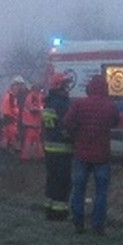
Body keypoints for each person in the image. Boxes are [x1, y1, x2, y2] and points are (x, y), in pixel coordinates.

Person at [63, 75, 120, 234]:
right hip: (102, 154)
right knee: (101, 191)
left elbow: (67, 122)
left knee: (79, 189)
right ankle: (98, 225)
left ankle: (78, 223)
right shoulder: (111, 105)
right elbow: (116, 122)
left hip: (82, 153)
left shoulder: (79, 104)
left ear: (89, 88)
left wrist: (76, 133)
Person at [42, 72, 74, 220]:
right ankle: (59, 213)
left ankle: (49, 208)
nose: (68, 87)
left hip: (49, 147)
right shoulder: (62, 103)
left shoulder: (49, 102)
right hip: (62, 148)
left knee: (52, 179)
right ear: (59, 85)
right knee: (63, 181)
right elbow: (66, 126)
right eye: (65, 84)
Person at [0, 76, 26, 152]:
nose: (19, 88)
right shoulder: (11, 96)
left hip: (8, 118)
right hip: (10, 118)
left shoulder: (9, 95)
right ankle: (15, 149)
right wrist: (15, 116)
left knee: (6, 135)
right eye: (18, 86)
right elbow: (11, 109)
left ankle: (5, 149)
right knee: (13, 134)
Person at [20, 82, 45, 161]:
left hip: (36, 122)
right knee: (30, 139)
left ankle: (38, 155)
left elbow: (40, 106)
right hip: (31, 122)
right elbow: (32, 109)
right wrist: (41, 110)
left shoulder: (38, 96)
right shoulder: (31, 96)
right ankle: (26, 156)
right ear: (35, 89)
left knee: (36, 139)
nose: (40, 90)